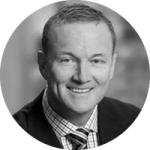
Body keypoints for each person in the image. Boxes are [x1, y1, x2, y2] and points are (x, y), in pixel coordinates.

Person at [13, 3, 140, 149]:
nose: (82, 77)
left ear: (112, 66)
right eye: (67, 60)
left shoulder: (135, 123)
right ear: (43, 65)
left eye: (96, 61)